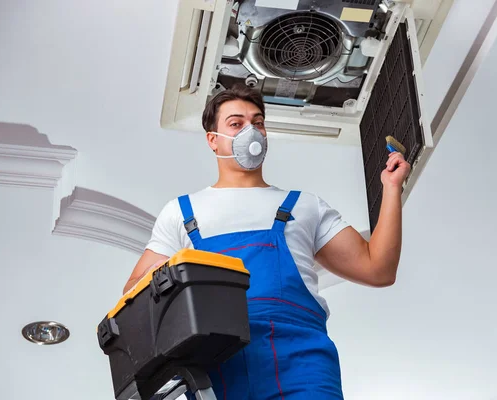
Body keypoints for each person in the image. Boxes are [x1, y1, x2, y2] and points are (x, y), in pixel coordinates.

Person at [123, 85, 411, 400]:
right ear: (213, 139)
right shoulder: (181, 213)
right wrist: (182, 271)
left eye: (257, 122)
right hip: (217, 375)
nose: (251, 131)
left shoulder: (304, 206)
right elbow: (133, 290)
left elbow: (378, 269)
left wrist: (391, 188)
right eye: (236, 124)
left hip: (302, 369)